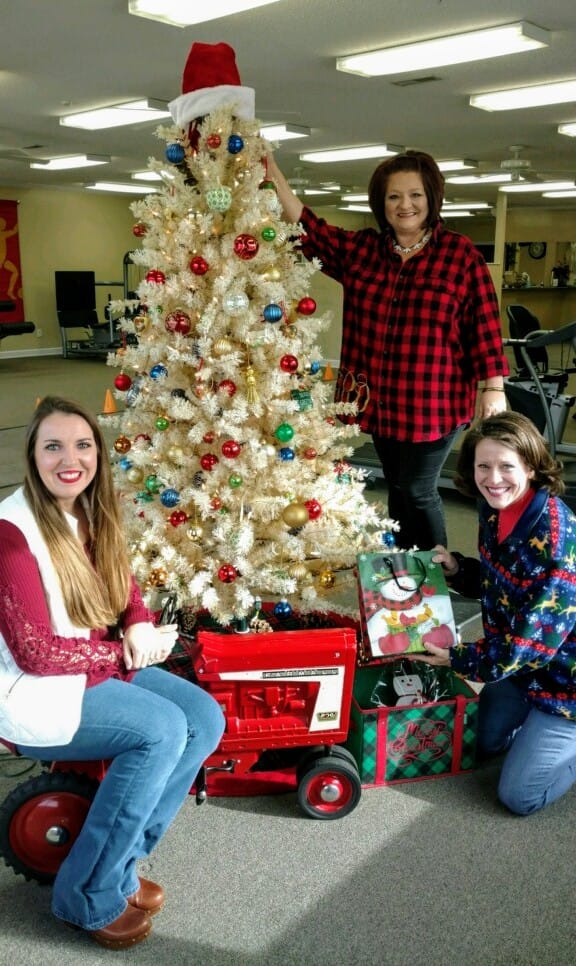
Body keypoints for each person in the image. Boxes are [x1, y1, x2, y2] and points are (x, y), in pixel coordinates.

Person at [0, 396, 225, 949]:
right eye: (53, 446)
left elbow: (122, 586)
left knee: (202, 716)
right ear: (33, 455)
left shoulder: (88, 510)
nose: (68, 458)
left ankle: (119, 866)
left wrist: (140, 624)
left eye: (81, 445)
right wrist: (123, 654)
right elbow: (35, 653)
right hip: (37, 687)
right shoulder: (11, 535)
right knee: (162, 732)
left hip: (91, 665)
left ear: (97, 453)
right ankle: (86, 894)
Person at [266, 149, 509, 549]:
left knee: (416, 488)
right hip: (379, 399)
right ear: (381, 203)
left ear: (431, 198)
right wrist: (271, 170)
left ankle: (436, 575)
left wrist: (493, 386)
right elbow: (310, 229)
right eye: (394, 197)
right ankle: (403, 570)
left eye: (415, 195)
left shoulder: (460, 254)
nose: (405, 205)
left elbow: (483, 325)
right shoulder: (363, 251)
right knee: (397, 486)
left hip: (434, 402)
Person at [418, 411, 576, 816]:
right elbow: (501, 585)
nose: (493, 478)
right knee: (480, 742)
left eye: (507, 466)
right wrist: (458, 568)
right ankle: (527, 728)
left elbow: (526, 648)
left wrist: (457, 658)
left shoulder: (554, 544)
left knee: (519, 797)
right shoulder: (495, 507)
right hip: (520, 667)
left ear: (531, 466)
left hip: (565, 683)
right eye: (483, 466)